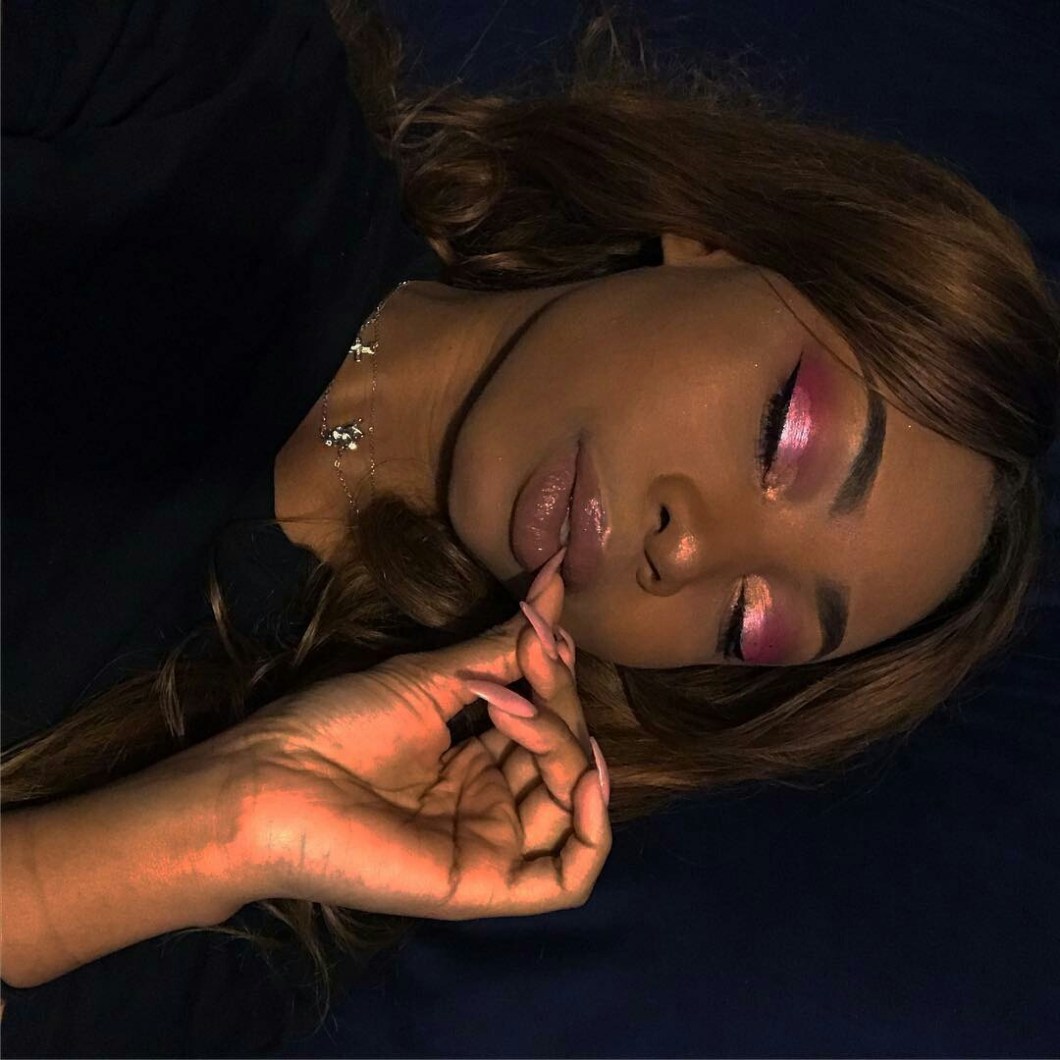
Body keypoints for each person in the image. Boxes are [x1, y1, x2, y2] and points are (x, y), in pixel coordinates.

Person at [2, 0, 1057, 1054]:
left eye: (751, 620)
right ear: (717, 240)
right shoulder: (207, 83)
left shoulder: (308, 871)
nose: (686, 550)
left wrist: (217, 831)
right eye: (784, 434)